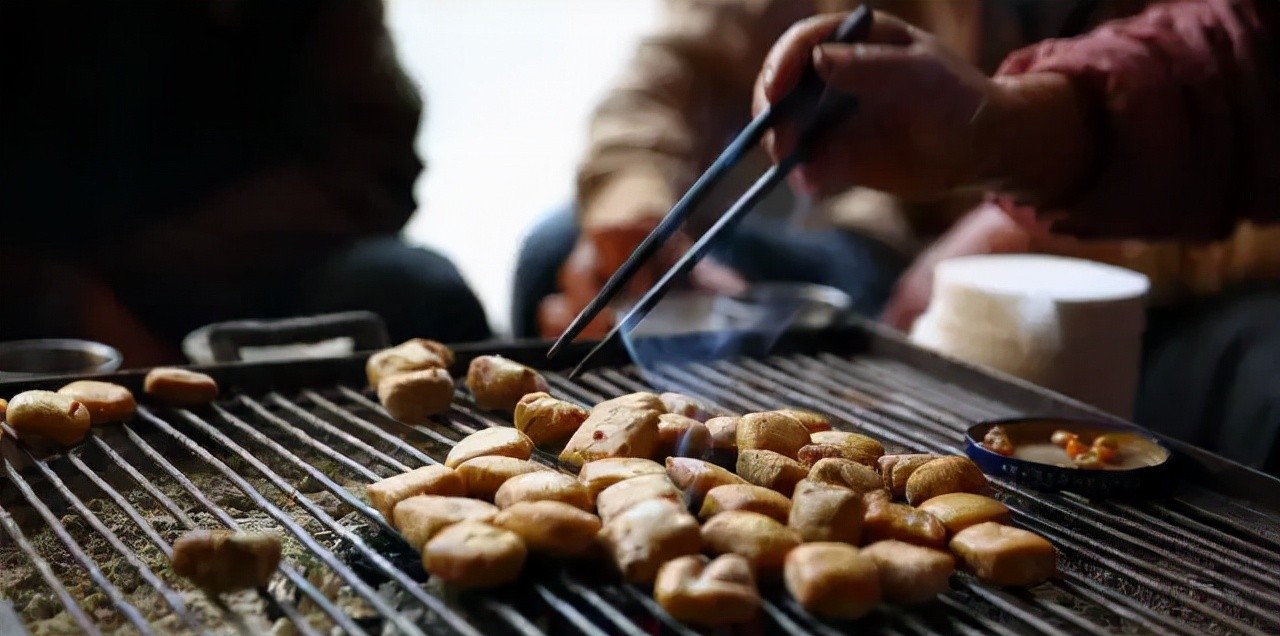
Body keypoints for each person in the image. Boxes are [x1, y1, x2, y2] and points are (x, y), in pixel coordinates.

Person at [756, 0, 1280, 473]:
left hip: (1173, 294)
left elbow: (1250, 84)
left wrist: (1013, 211)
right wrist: (667, 194)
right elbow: (698, 33)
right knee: (750, 263)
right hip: (913, 238)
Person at [511, 0, 1160, 341]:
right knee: (566, 255)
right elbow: (675, 69)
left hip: (1147, 275)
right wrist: (636, 207)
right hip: (892, 252)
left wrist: (1014, 230)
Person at [0, 0, 490, 367]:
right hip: (52, 280)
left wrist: (169, 260)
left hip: (255, 265)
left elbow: (375, 161)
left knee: (418, 292)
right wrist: (75, 302)